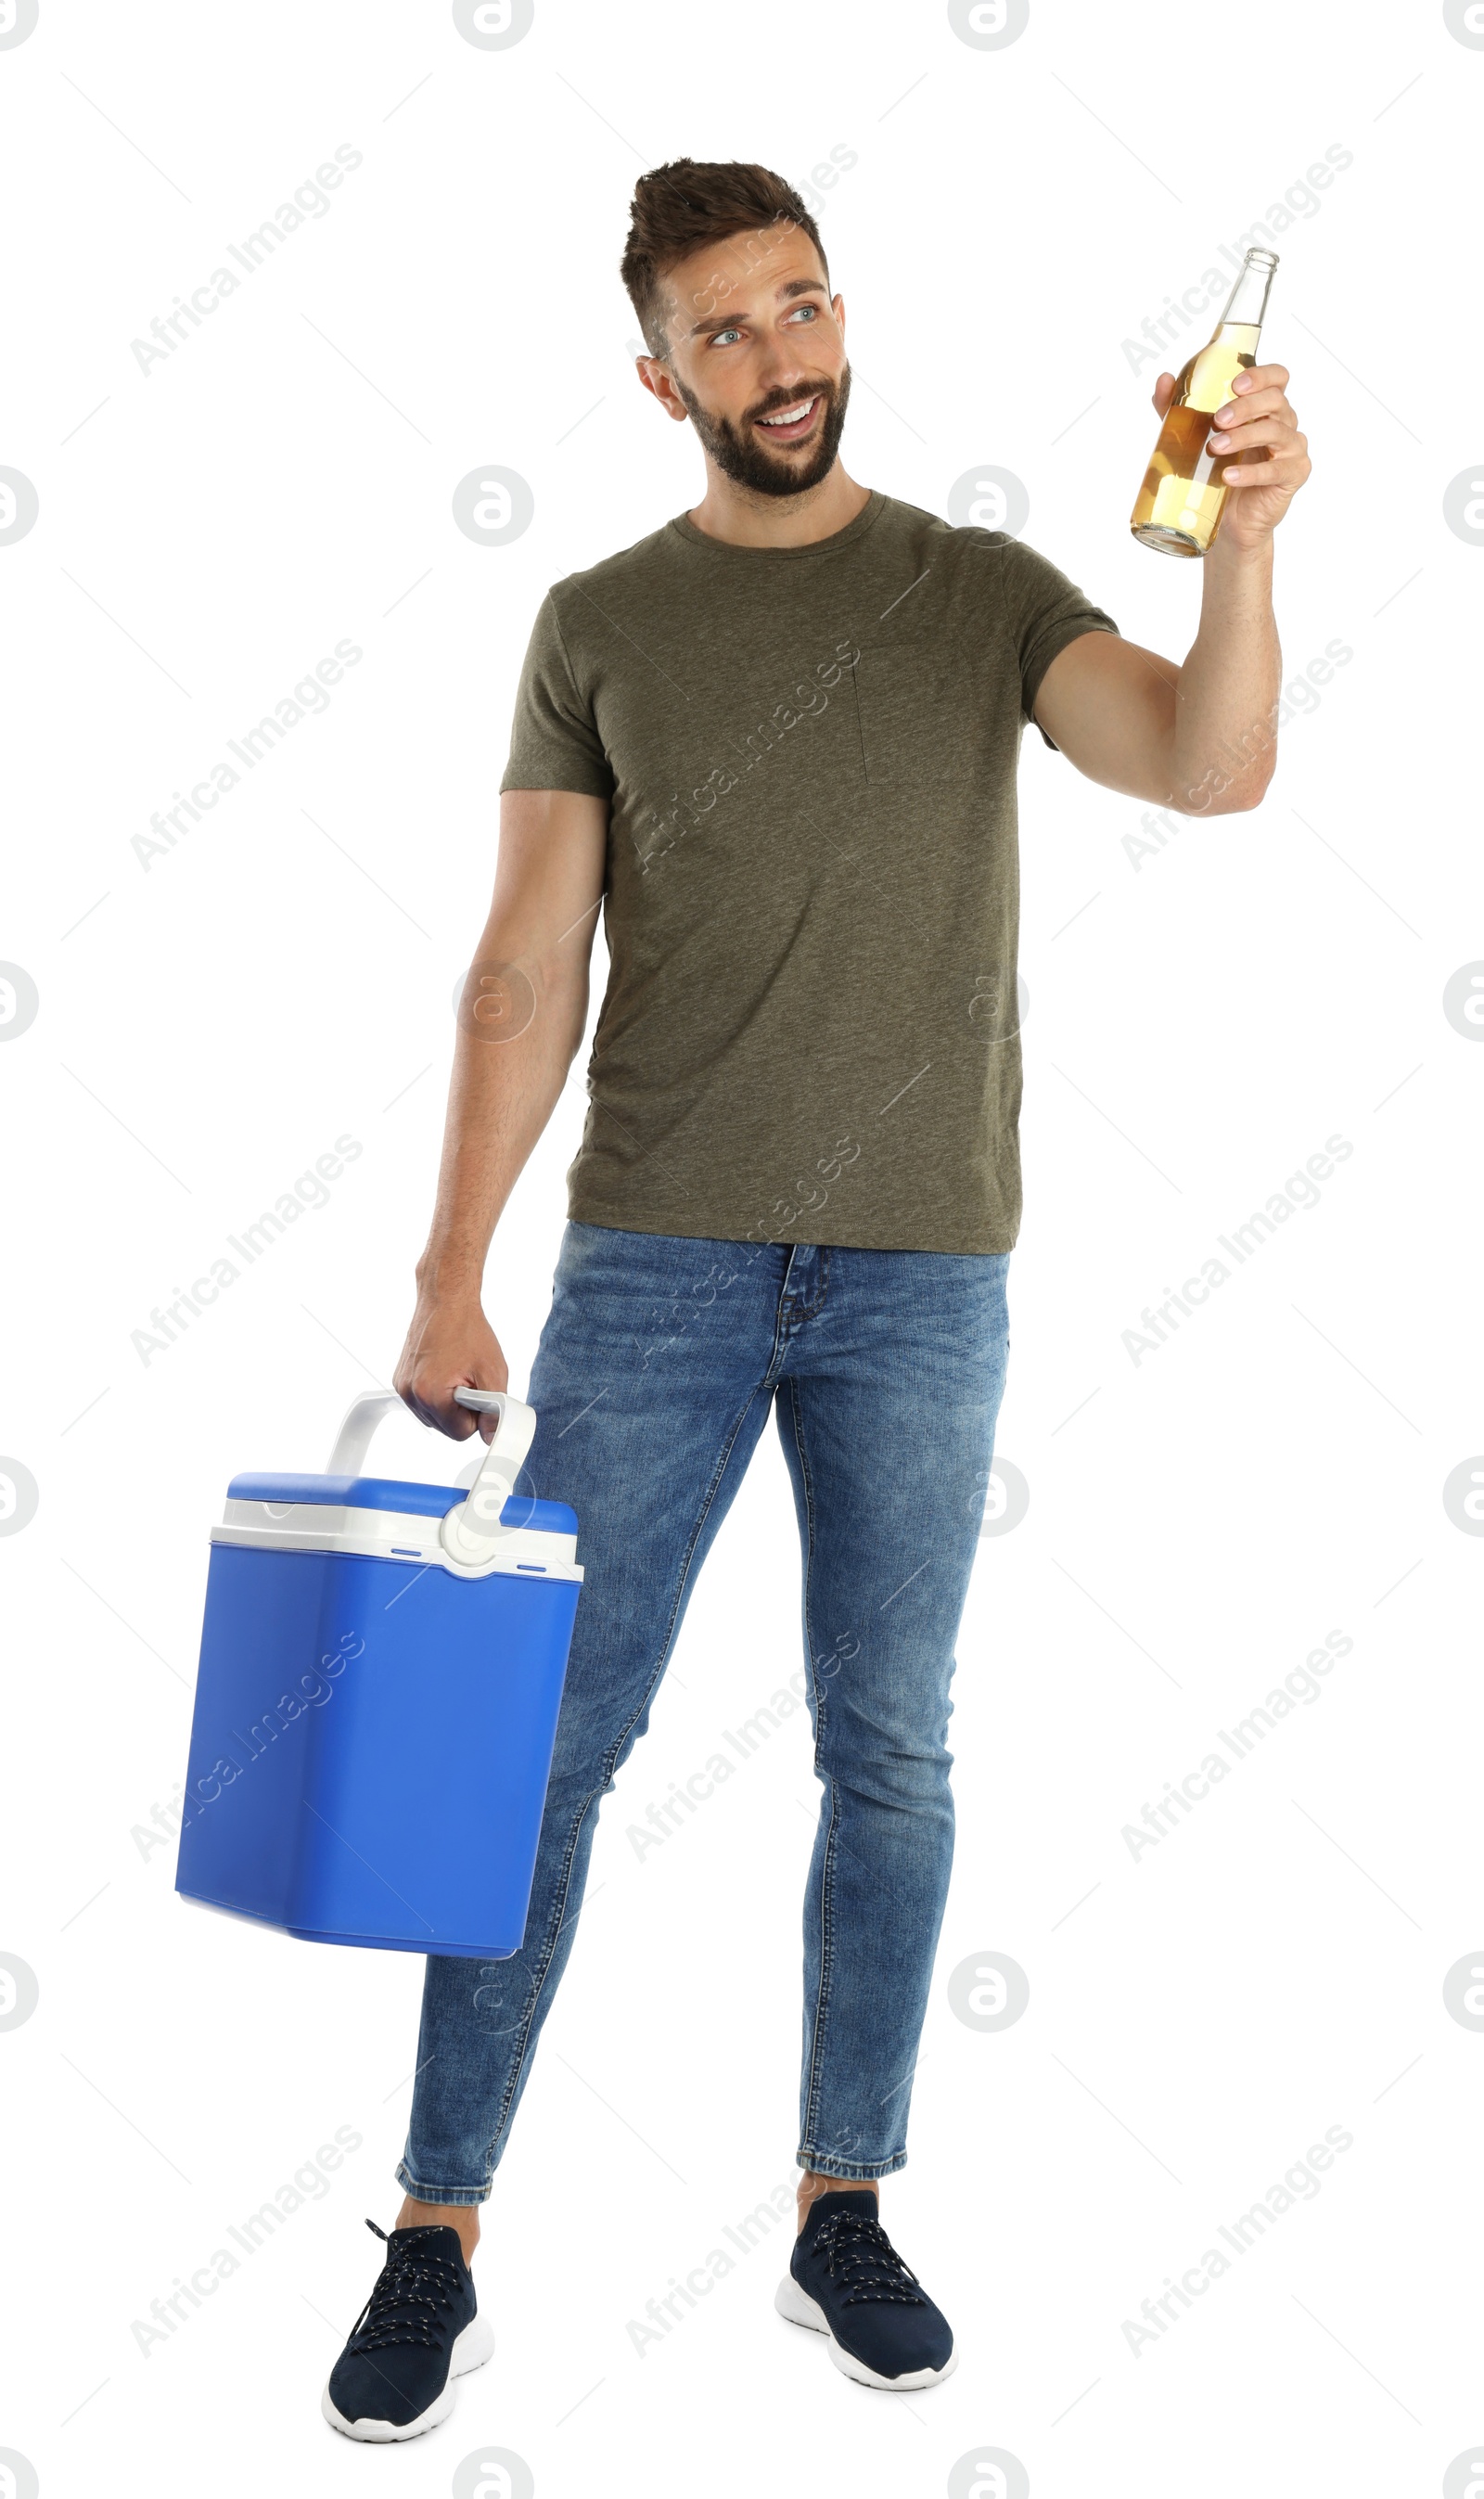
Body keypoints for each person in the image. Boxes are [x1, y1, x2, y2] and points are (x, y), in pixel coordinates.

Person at [321, 157, 1311, 2441]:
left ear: (837, 313)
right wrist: (446, 1274)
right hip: (650, 1265)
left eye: (801, 306)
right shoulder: (593, 619)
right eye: (727, 330)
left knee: (890, 1754)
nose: (780, 358)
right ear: (656, 371)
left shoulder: (973, 593)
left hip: (917, 1275)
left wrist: (1244, 538)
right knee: (548, 1758)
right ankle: (435, 2224)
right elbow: (517, 965)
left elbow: (1208, 761)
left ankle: (838, 2204)